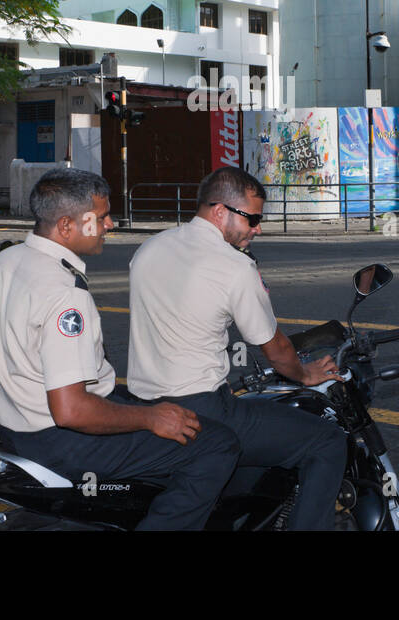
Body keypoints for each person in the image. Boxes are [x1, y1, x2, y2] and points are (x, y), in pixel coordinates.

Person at [0, 169, 239, 530]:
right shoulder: (64, 292)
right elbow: (71, 411)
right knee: (217, 443)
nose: (109, 224)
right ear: (66, 226)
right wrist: (152, 418)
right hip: (62, 440)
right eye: (100, 218)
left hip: (14, 428)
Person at [126, 166, 347, 530]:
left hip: (146, 403)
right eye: (253, 218)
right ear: (219, 211)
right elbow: (275, 349)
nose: (257, 228)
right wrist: (306, 373)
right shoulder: (234, 267)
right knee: (326, 441)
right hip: (203, 410)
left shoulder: (150, 248)